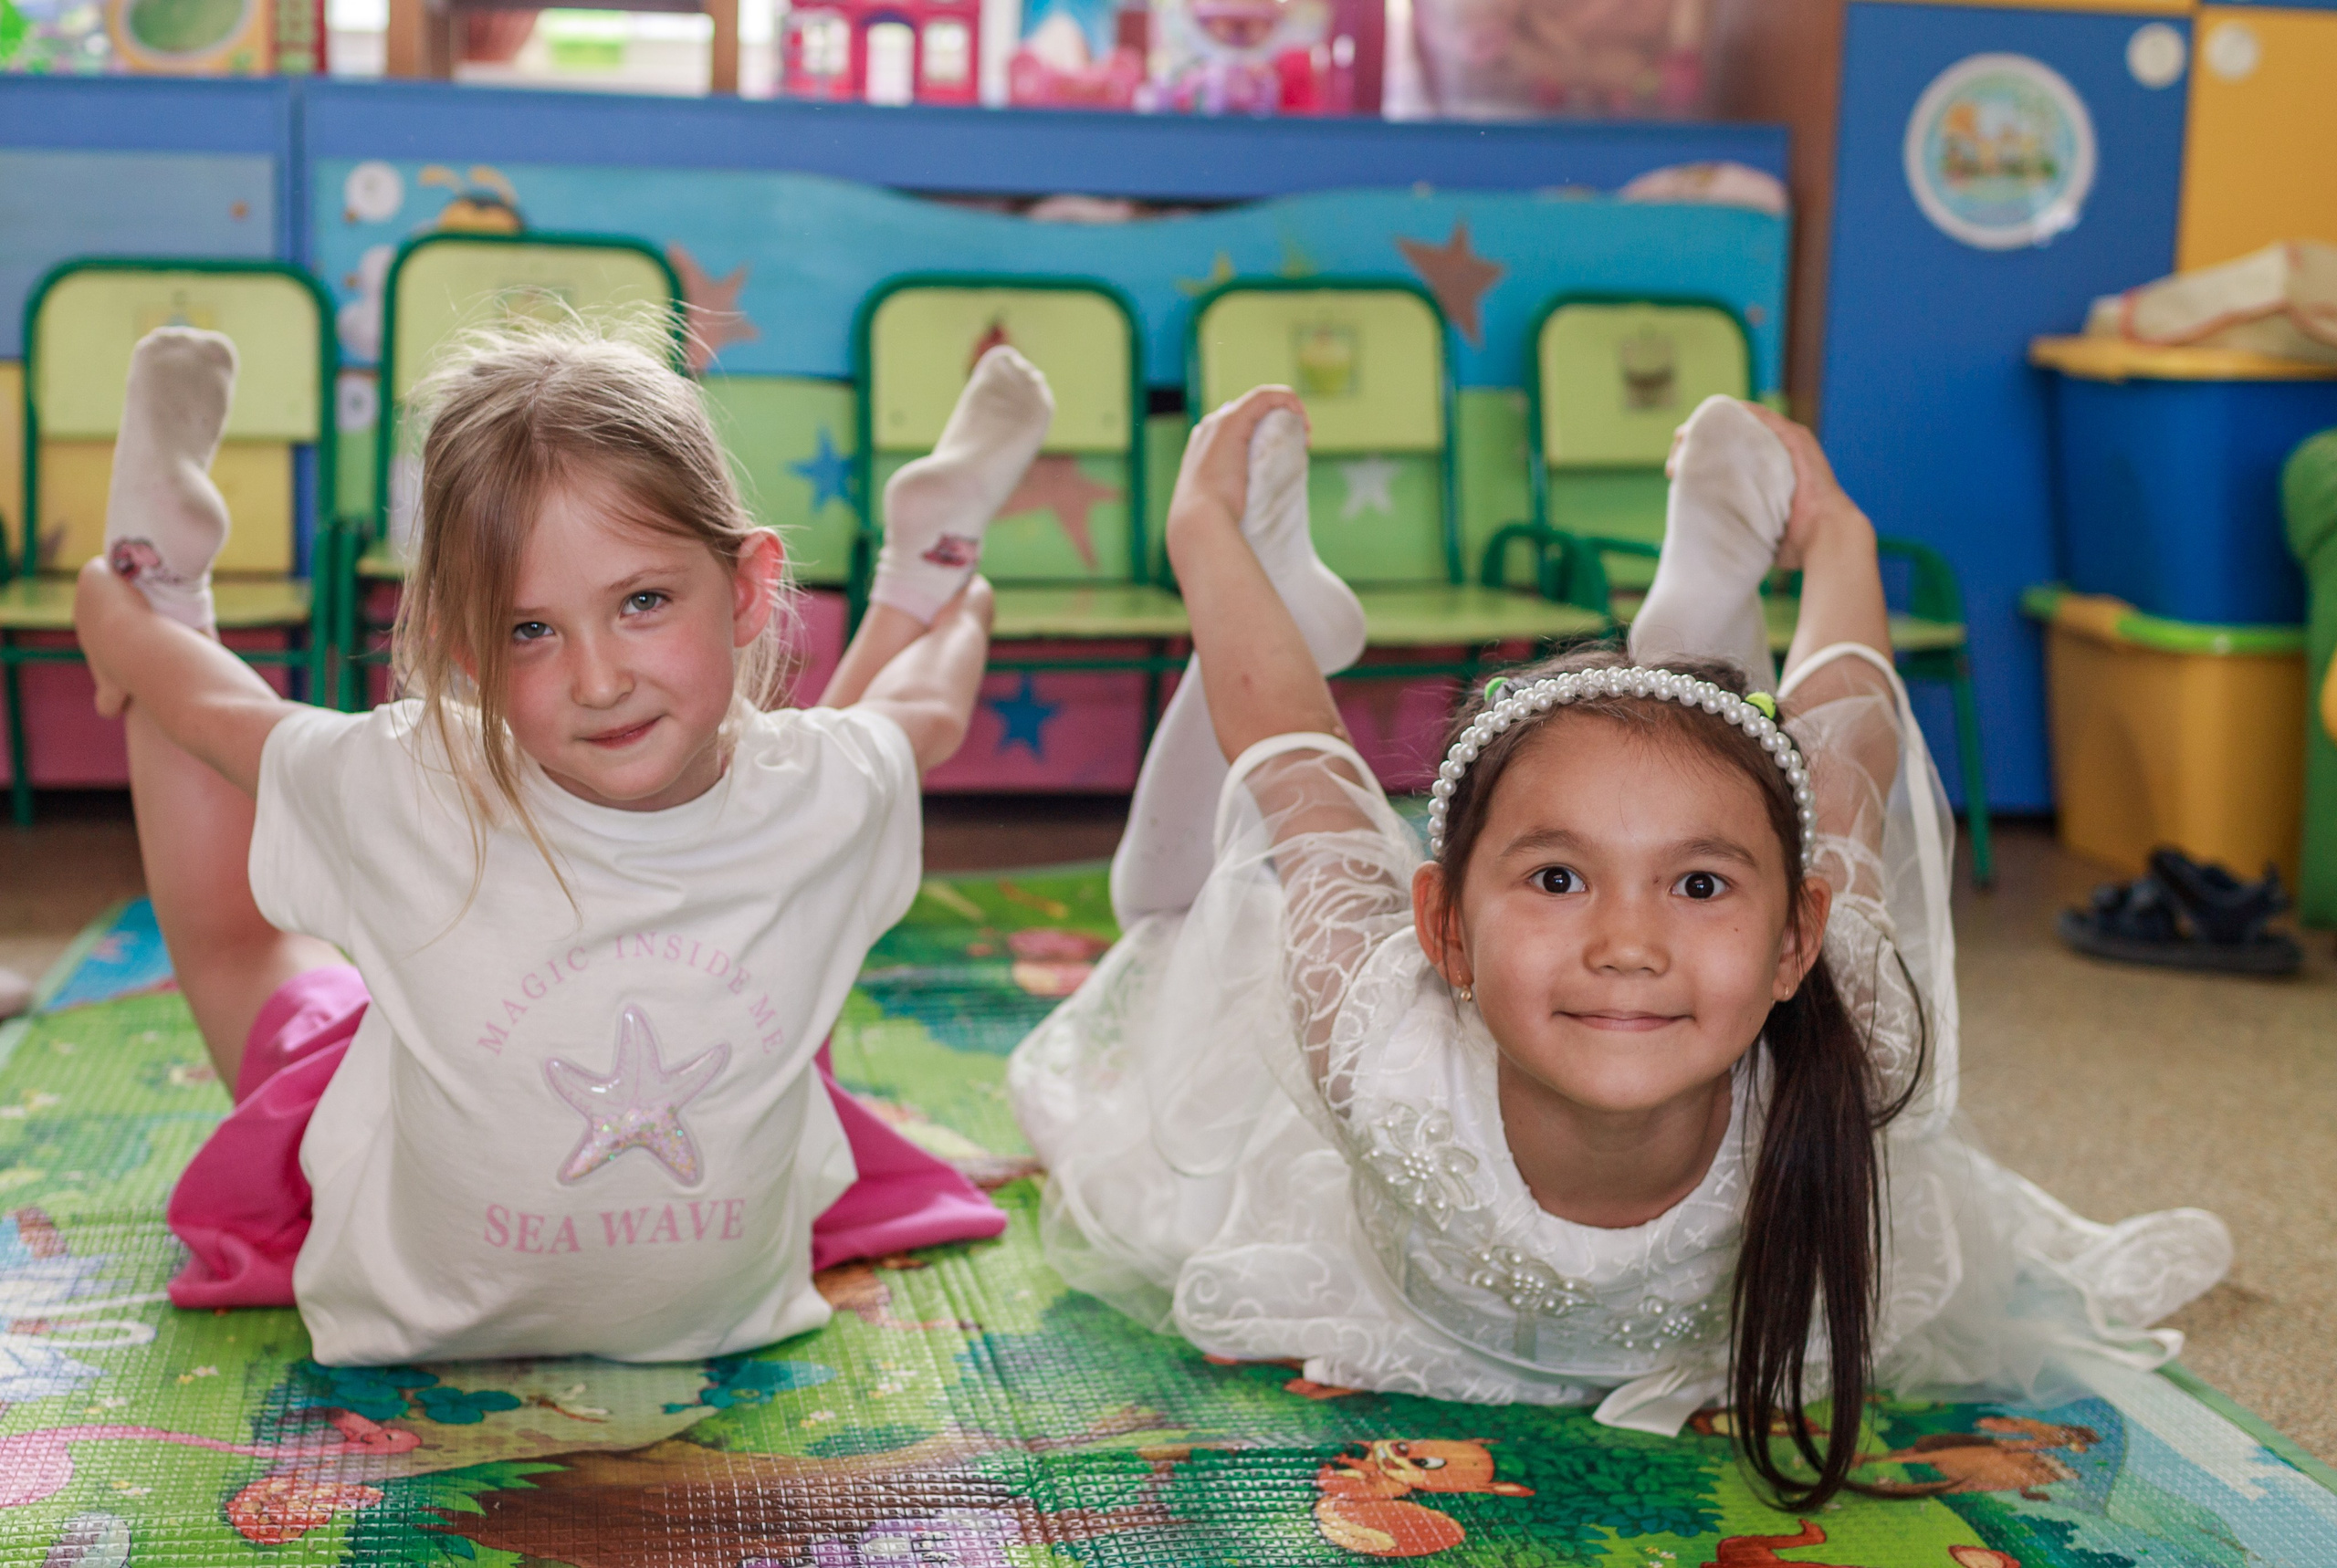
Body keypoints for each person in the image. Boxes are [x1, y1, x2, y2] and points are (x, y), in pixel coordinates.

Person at [1008, 388, 2232, 1506]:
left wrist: (1840, 543)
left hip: (1730, 1204)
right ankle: (1310, 585)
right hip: (1409, 1265)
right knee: (1175, 922)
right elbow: (1293, 751)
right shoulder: (1384, 1048)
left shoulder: (1854, 1023)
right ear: (1444, 927)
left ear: (1797, 939)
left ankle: (1712, 606)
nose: (1629, 943)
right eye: (1557, 875)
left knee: (1801, 781)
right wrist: (1206, 533)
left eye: (1697, 884)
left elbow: (1847, 749)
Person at [73, 318, 1054, 1365]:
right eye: (529, 629)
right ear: (465, 649)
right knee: (816, 855)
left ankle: (159, 569)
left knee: (236, 950)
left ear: (748, 589)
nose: (598, 679)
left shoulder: (796, 788)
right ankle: (927, 554)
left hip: (523, 1243)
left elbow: (213, 712)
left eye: (640, 601)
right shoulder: (422, 780)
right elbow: (918, 719)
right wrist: (950, 609)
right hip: (664, 1178)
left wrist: (130, 627)